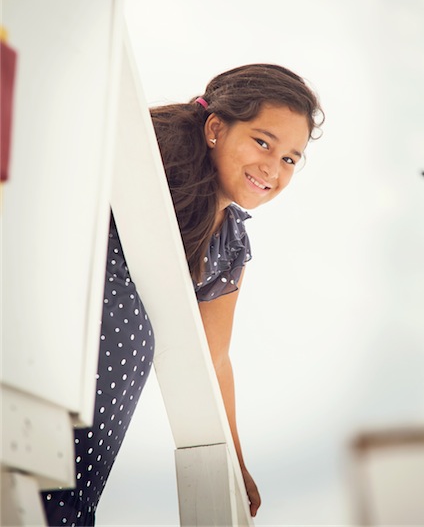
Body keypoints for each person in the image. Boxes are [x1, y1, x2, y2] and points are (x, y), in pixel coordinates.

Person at [41, 63, 323, 525]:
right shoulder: (145, 162)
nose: (273, 167)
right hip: (47, 371)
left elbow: (215, 358)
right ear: (216, 128)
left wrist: (236, 460)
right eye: (262, 141)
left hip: (95, 426)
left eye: (290, 158)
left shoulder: (229, 243)